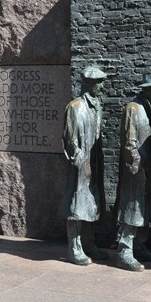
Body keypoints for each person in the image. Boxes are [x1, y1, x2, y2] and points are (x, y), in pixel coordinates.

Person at [114, 72, 151, 271]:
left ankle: (140, 245)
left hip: (149, 164)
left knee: (145, 205)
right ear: (145, 88)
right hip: (135, 168)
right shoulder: (133, 108)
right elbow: (129, 141)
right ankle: (124, 250)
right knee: (132, 206)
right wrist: (135, 165)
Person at [61, 66, 109, 266]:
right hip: (81, 163)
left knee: (91, 202)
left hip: (94, 160)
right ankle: (74, 248)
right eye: (99, 82)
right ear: (88, 83)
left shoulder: (96, 105)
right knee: (76, 203)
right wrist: (78, 158)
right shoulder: (75, 106)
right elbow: (69, 138)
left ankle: (89, 243)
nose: (102, 86)